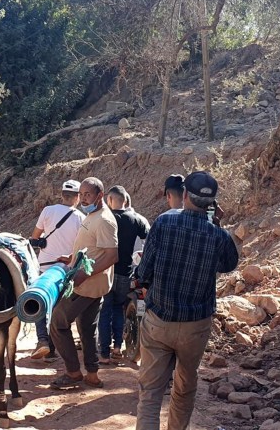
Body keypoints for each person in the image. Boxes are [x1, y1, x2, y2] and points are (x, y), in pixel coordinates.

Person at [135, 171, 239, 430]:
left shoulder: (163, 223)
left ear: (184, 195)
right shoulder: (218, 236)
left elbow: (144, 271)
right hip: (196, 326)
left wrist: (141, 282)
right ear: (212, 203)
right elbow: (229, 263)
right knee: (185, 387)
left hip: (159, 319)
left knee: (150, 394)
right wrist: (216, 224)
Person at [49, 177, 118, 390]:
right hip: (92, 284)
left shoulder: (104, 220)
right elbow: (92, 248)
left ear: (100, 196)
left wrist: (83, 274)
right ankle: (92, 374)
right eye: (83, 194)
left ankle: (73, 372)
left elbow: (111, 256)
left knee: (58, 323)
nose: (84, 198)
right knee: (87, 328)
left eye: (88, 194)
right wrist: (71, 258)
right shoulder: (93, 215)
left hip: (86, 285)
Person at [29, 179, 85, 359]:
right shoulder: (80, 218)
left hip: (45, 267)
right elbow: (81, 246)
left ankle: (43, 341)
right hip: (66, 269)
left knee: (41, 302)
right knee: (57, 308)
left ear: (62, 195)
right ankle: (52, 347)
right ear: (77, 198)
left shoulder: (48, 211)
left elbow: (35, 237)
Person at [98, 185, 149, 364]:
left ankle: (104, 353)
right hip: (126, 273)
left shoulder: (106, 218)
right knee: (119, 309)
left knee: (105, 311)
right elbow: (148, 243)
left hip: (106, 272)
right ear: (125, 200)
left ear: (110, 200)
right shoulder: (137, 219)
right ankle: (118, 347)